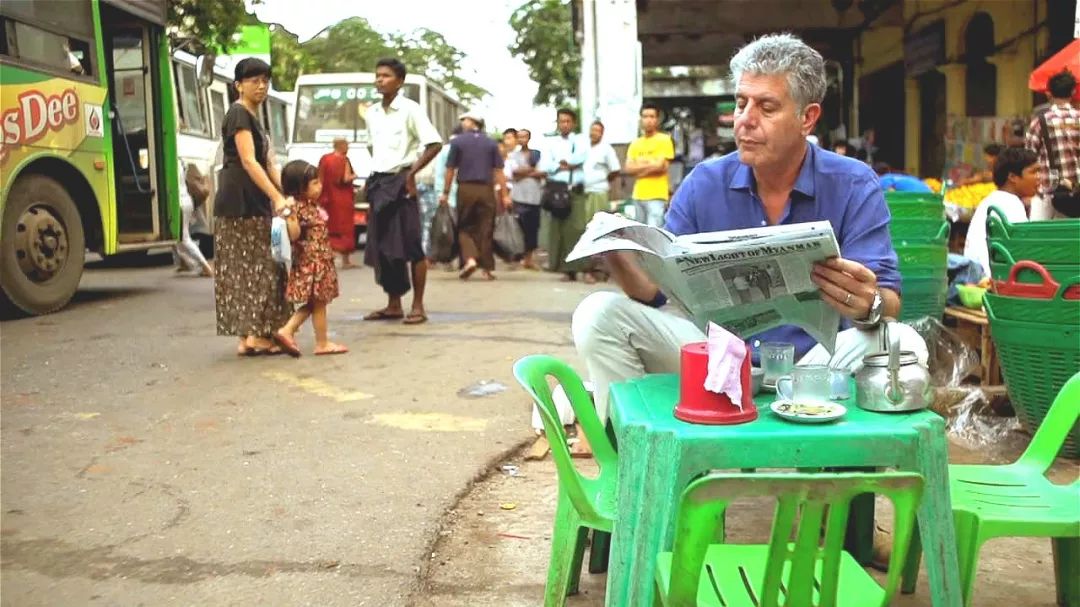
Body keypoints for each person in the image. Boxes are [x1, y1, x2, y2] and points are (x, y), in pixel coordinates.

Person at [572, 33, 927, 423]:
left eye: (766, 107)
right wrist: (614, 252)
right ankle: (638, 452)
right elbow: (655, 295)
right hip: (717, 357)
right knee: (597, 313)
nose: (745, 120)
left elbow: (889, 303)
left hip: (816, 364)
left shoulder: (854, 183)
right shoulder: (704, 182)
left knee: (902, 340)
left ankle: (842, 469)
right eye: (741, 103)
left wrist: (867, 303)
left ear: (807, 118)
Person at [213, 57, 291, 357]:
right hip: (240, 203)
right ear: (238, 86)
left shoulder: (254, 118)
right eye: (253, 80)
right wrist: (276, 197)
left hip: (249, 203)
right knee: (258, 269)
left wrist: (286, 193)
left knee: (250, 269)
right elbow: (248, 160)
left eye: (265, 80)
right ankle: (255, 335)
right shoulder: (238, 114)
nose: (261, 86)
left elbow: (269, 163)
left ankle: (249, 337)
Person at [362, 58, 442, 325]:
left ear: (400, 81)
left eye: (385, 75)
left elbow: (434, 143)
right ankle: (393, 304)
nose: (379, 80)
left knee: (411, 246)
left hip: (401, 182)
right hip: (379, 182)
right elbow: (372, 146)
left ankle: (418, 305)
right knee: (384, 247)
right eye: (377, 75)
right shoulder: (372, 112)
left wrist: (411, 174)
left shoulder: (410, 110)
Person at [272, 160, 347, 357]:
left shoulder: (310, 205)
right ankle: (320, 343)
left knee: (316, 303)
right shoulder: (297, 208)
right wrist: (289, 216)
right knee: (319, 303)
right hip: (312, 263)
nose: (319, 186)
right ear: (299, 187)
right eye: (314, 183)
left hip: (319, 261)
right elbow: (294, 234)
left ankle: (288, 331)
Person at [442, 112, 510, 281]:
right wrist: (504, 195)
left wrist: (445, 192)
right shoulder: (491, 143)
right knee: (486, 227)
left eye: (465, 119)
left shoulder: (457, 142)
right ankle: (487, 269)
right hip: (487, 190)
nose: (462, 122)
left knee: (465, 226)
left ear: (473, 123)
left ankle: (470, 259)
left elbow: (450, 169)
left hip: (466, 188)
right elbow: (499, 171)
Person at [963, 147, 1038, 276]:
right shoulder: (1010, 203)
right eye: (1034, 172)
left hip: (975, 277)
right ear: (1013, 177)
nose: (1039, 177)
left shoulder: (993, 199)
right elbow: (1022, 252)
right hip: (990, 281)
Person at [542, 108, 590, 281]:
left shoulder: (580, 140)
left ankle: (580, 267)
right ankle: (564, 269)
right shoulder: (550, 142)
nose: (564, 124)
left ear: (574, 123)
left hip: (574, 190)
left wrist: (566, 162)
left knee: (576, 229)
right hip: (556, 189)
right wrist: (561, 165)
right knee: (558, 230)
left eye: (568, 121)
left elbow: (581, 157)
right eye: (561, 121)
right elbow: (545, 165)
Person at [1025, 69, 1080, 220]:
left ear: (1049, 93)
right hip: (1075, 196)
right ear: (1073, 91)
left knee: (1038, 239)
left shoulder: (1040, 121)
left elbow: (1028, 157)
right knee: (1070, 240)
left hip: (1046, 193)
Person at [581, 120, 621, 283]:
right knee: (582, 231)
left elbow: (615, 170)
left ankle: (598, 271)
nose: (594, 133)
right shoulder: (583, 148)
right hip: (582, 192)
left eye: (598, 131)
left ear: (602, 133)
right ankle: (584, 268)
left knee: (597, 231)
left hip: (598, 192)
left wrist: (601, 180)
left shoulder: (607, 149)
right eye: (592, 130)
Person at [624, 103, 675, 226]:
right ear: (640, 119)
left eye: (652, 116)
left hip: (657, 195)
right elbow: (628, 168)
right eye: (645, 116)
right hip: (638, 195)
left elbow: (661, 167)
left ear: (657, 120)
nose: (648, 120)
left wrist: (639, 168)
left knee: (654, 233)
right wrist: (651, 164)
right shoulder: (635, 143)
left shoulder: (664, 140)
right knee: (639, 235)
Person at [317, 137, 358, 268]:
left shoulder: (325, 159)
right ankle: (346, 261)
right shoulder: (344, 160)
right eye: (347, 145)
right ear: (342, 146)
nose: (348, 148)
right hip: (343, 199)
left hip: (328, 198)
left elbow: (320, 178)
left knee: (329, 227)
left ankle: (329, 256)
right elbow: (345, 178)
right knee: (345, 228)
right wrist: (354, 176)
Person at [508, 128, 545, 270]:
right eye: (520, 137)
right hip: (518, 196)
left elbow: (542, 172)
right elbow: (513, 173)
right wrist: (531, 170)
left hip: (534, 196)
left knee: (532, 228)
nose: (523, 139)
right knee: (518, 228)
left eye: (525, 137)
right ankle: (519, 257)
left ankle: (529, 259)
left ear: (529, 138)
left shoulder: (537, 154)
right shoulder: (513, 155)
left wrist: (524, 172)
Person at [172, 161, 214, 277]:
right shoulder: (180, 162)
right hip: (186, 201)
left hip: (180, 203)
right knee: (175, 236)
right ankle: (184, 262)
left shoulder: (172, 162)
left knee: (184, 238)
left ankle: (206, 267)